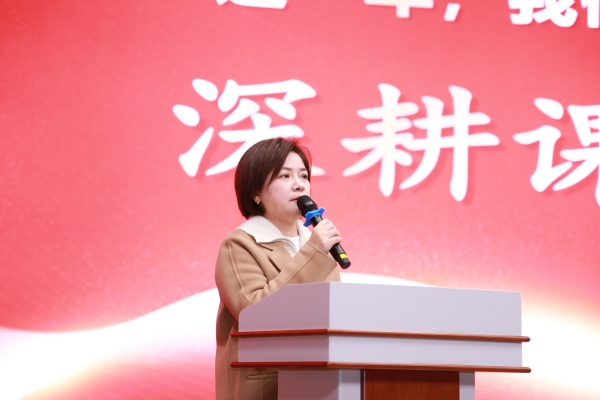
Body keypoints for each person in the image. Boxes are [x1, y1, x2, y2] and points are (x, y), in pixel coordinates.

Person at [214, 138, 343, 400]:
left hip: (319, 380)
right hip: (266, 386)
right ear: (255, 193)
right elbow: (253, 313)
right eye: (285, 176)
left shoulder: (316, 244)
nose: (300, 184)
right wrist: (314, 254)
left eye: (303, 176)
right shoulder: (240, 244)